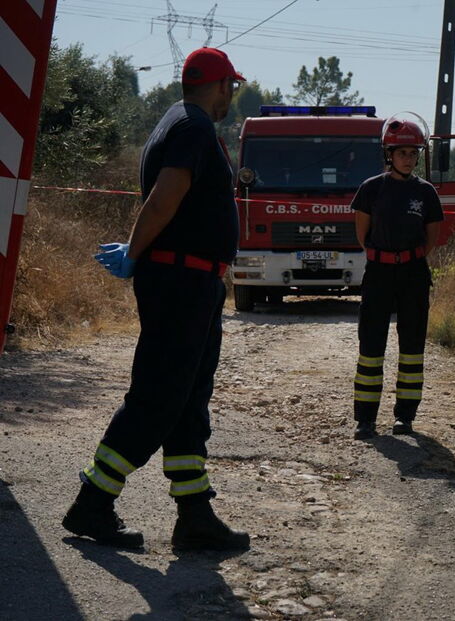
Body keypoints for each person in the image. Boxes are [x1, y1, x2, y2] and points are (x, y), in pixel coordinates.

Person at [61, 47, 250, 550]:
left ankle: (194, 514)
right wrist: (137, 250)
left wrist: (140, 252)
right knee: (159, 396)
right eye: (231, 86)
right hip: (183, 281)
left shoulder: (176, 120)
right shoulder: (193, 127)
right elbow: (165, 197)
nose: (231, 95)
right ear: (220, 85)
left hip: (193, 281)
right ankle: (92, 503)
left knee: (187, 401)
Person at [351, 113, 444, 439]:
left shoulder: (427, 193)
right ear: (388, 154)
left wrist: (408, 258)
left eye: (414, 153)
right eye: (402, 152)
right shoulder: (371, 189)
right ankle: (365, 420)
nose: (409, 158)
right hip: (378, 273)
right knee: (371, 346)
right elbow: (362, 233)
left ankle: (405, 417)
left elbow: (431, 237)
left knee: (412, 346)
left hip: (413, 274)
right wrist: (384, 257)